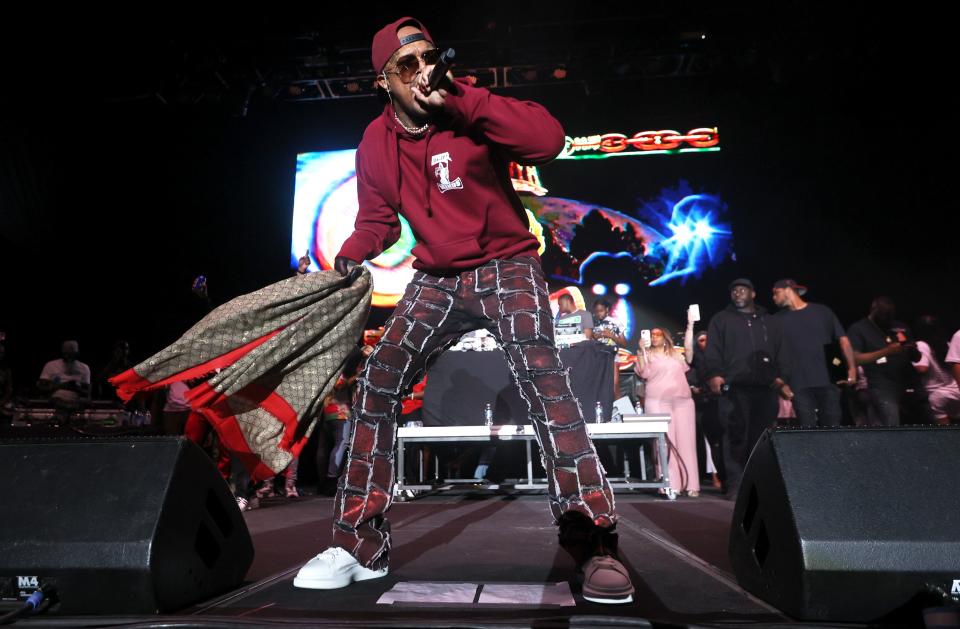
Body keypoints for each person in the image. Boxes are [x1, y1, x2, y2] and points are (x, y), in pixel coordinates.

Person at [293, 17, 633, 604]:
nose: (423, 71)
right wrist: (345, 262)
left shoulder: (467, 102)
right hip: (437, 277)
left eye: (428, 57)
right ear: (384, 82)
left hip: (507, 263)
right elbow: (376, 219)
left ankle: (594, 537)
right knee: (376, 380)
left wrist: (465, 99)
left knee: (544, 379)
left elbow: (548, 141)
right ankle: (359, 546)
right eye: (407, 66)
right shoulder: (375, 142)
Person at [704, 279, 790, 499]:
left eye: (742, 289)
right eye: (733, 290)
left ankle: (757, 484)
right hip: (734, 387)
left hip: (765, 386)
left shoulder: (770, 321)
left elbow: (781, 349)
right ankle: (735, 484)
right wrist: (715, 374)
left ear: (753, 293)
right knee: (735, 436)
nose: (737, 293)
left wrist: (780, 377)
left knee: (760, 437)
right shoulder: (721, 319)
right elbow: (712, 349)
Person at [771, 279, 856, 427]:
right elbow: (773, 353)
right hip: (798, 383)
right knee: (807, 430)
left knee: (832, 427)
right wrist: (780, 383)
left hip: (829, 379)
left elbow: (843, 340)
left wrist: (852, 368)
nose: (773, 297)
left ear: (788, 290)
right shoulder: (776, 320)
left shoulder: (822, 311)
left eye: (775, 293)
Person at [635, 327, 699, 497]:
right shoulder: (645, 354)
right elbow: (643, 373)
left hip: (683, 401)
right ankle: (670, 484)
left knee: (687, 442)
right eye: (652, 334)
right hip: (657, 401)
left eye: (658, 334)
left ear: (665, 337)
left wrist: (690, 325)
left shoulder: (676, 354)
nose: (654, 337)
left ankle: (691, 484)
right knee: (664, 444)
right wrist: (641, 350)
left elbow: (690, 354)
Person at [847, 297, 919, 426]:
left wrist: (912, 350)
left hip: (909, 381)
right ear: (873, 310)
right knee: (891, 424)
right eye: (883, 314)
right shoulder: (859, 329)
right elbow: (855, 359)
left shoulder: (900, 327)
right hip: (881, 385)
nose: (887, 318)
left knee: (923, 422)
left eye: (890, 315)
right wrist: (886, 351)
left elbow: (917, 358)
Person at [912, 315, 960, 424]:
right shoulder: (947, 343)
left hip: (938, 396)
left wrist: (910, 358)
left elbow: (922, 368)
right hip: (955, 392)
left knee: (944, 434)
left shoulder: (921, 345)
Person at [38, 340, 91, 408]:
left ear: (77, 353)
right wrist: (60, 386)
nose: (69, 356)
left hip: (76, 400)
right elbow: (41, 388)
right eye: (66, 354)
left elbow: (87, 392)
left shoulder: (84, 367)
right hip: (56, 399)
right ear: (62, 353)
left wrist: (76, 388)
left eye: (72, 354)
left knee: (81, 403)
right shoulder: (51, 365)